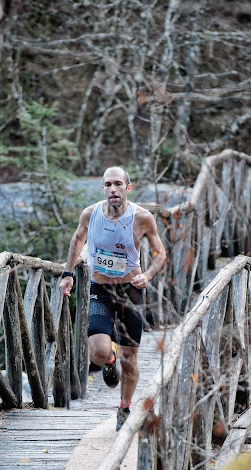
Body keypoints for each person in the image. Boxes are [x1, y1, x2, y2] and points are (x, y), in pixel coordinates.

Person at [59, 166, 166, 430]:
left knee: (131, 360)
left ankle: (124, 408)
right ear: (103, 189)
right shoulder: (90, 214)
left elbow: (160, 253)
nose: (113, 189)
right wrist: (68, 272)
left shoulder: (142, 217)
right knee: (97, 352)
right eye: (108, 185)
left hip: (131, 291)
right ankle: (109, 359)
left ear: (128, 188)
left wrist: (149, 275)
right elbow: (77, 239)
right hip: (101, 289)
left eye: (118, 184)